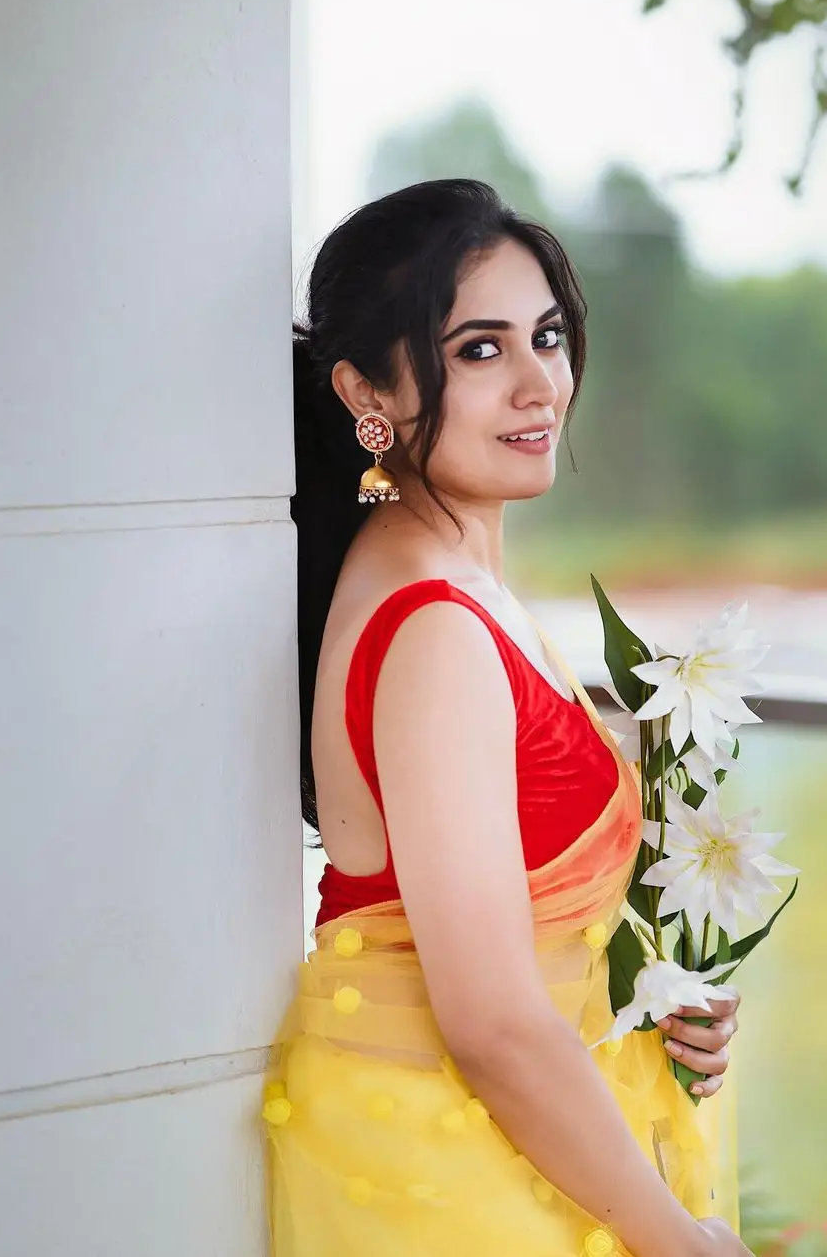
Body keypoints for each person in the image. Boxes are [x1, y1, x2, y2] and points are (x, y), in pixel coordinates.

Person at [265, 179, 751, 1257]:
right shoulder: (432, 625)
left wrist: (653, 994)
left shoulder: (457, 580)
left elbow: (526, 934)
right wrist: (676, 1241)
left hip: (510, 1143)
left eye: (548, 336)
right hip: (452, 1174)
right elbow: (487, 1023)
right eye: (479, 351)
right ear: (366, 391)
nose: (540, 384)